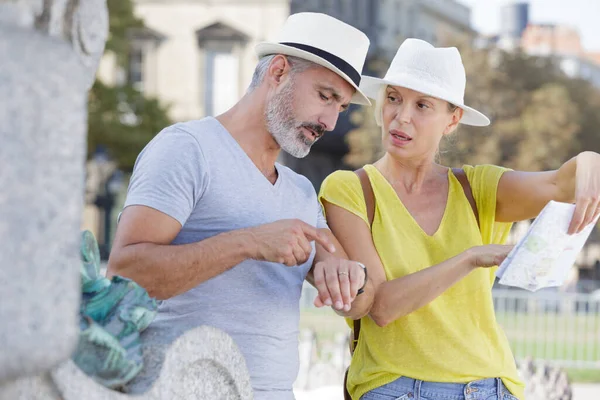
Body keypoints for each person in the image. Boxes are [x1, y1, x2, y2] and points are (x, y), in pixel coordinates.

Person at [107, 13, 375, 400]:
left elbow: (359, 304)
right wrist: (248, 242)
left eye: (341, 107)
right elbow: (126, 275)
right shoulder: (187, 148)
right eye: (325, 96)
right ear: (279, 71)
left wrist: (348, 277)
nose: (330, 122)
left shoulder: (300, 191)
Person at [319, 38, 600, 400]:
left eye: (422, 105)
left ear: (452, 120)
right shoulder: (349, 190)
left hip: (491, 387)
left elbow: (559, 182)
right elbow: (383, 307)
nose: (402, 116)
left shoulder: (478, 188)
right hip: (396, 387)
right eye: (394, 98)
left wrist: (591, 159)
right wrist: (470, 258)